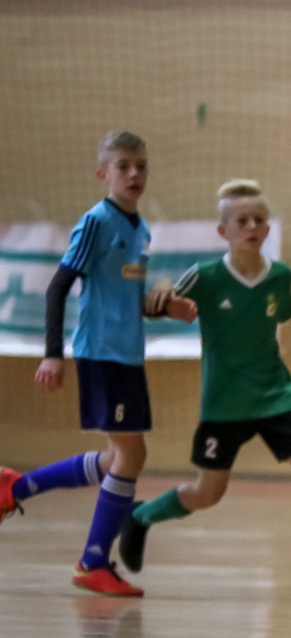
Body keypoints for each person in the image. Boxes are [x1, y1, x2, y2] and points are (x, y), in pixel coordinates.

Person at [116, 179, 291, 600]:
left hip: (275, 394)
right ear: (224, 231)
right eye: (242, 221)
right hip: (224, 403)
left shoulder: (280, 276)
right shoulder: (205, 276)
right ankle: (141, 516)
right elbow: (163, 300)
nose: (252, 226)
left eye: (259, 219)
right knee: (207, 493)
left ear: (267, 228)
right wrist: (161, 294)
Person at [0, 130, 196, 597]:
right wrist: (53, 353)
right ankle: (92, 562)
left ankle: (15, 488)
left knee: (115, 458)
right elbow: (57, 287)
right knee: (132, 455)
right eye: (123, 166)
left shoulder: (140, 229)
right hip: (101, 353)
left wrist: (164, 308)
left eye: (141, 166)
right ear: (102, 173)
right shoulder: (96, 222)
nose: (134, 174)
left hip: (128, 355)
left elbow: (128, 297)